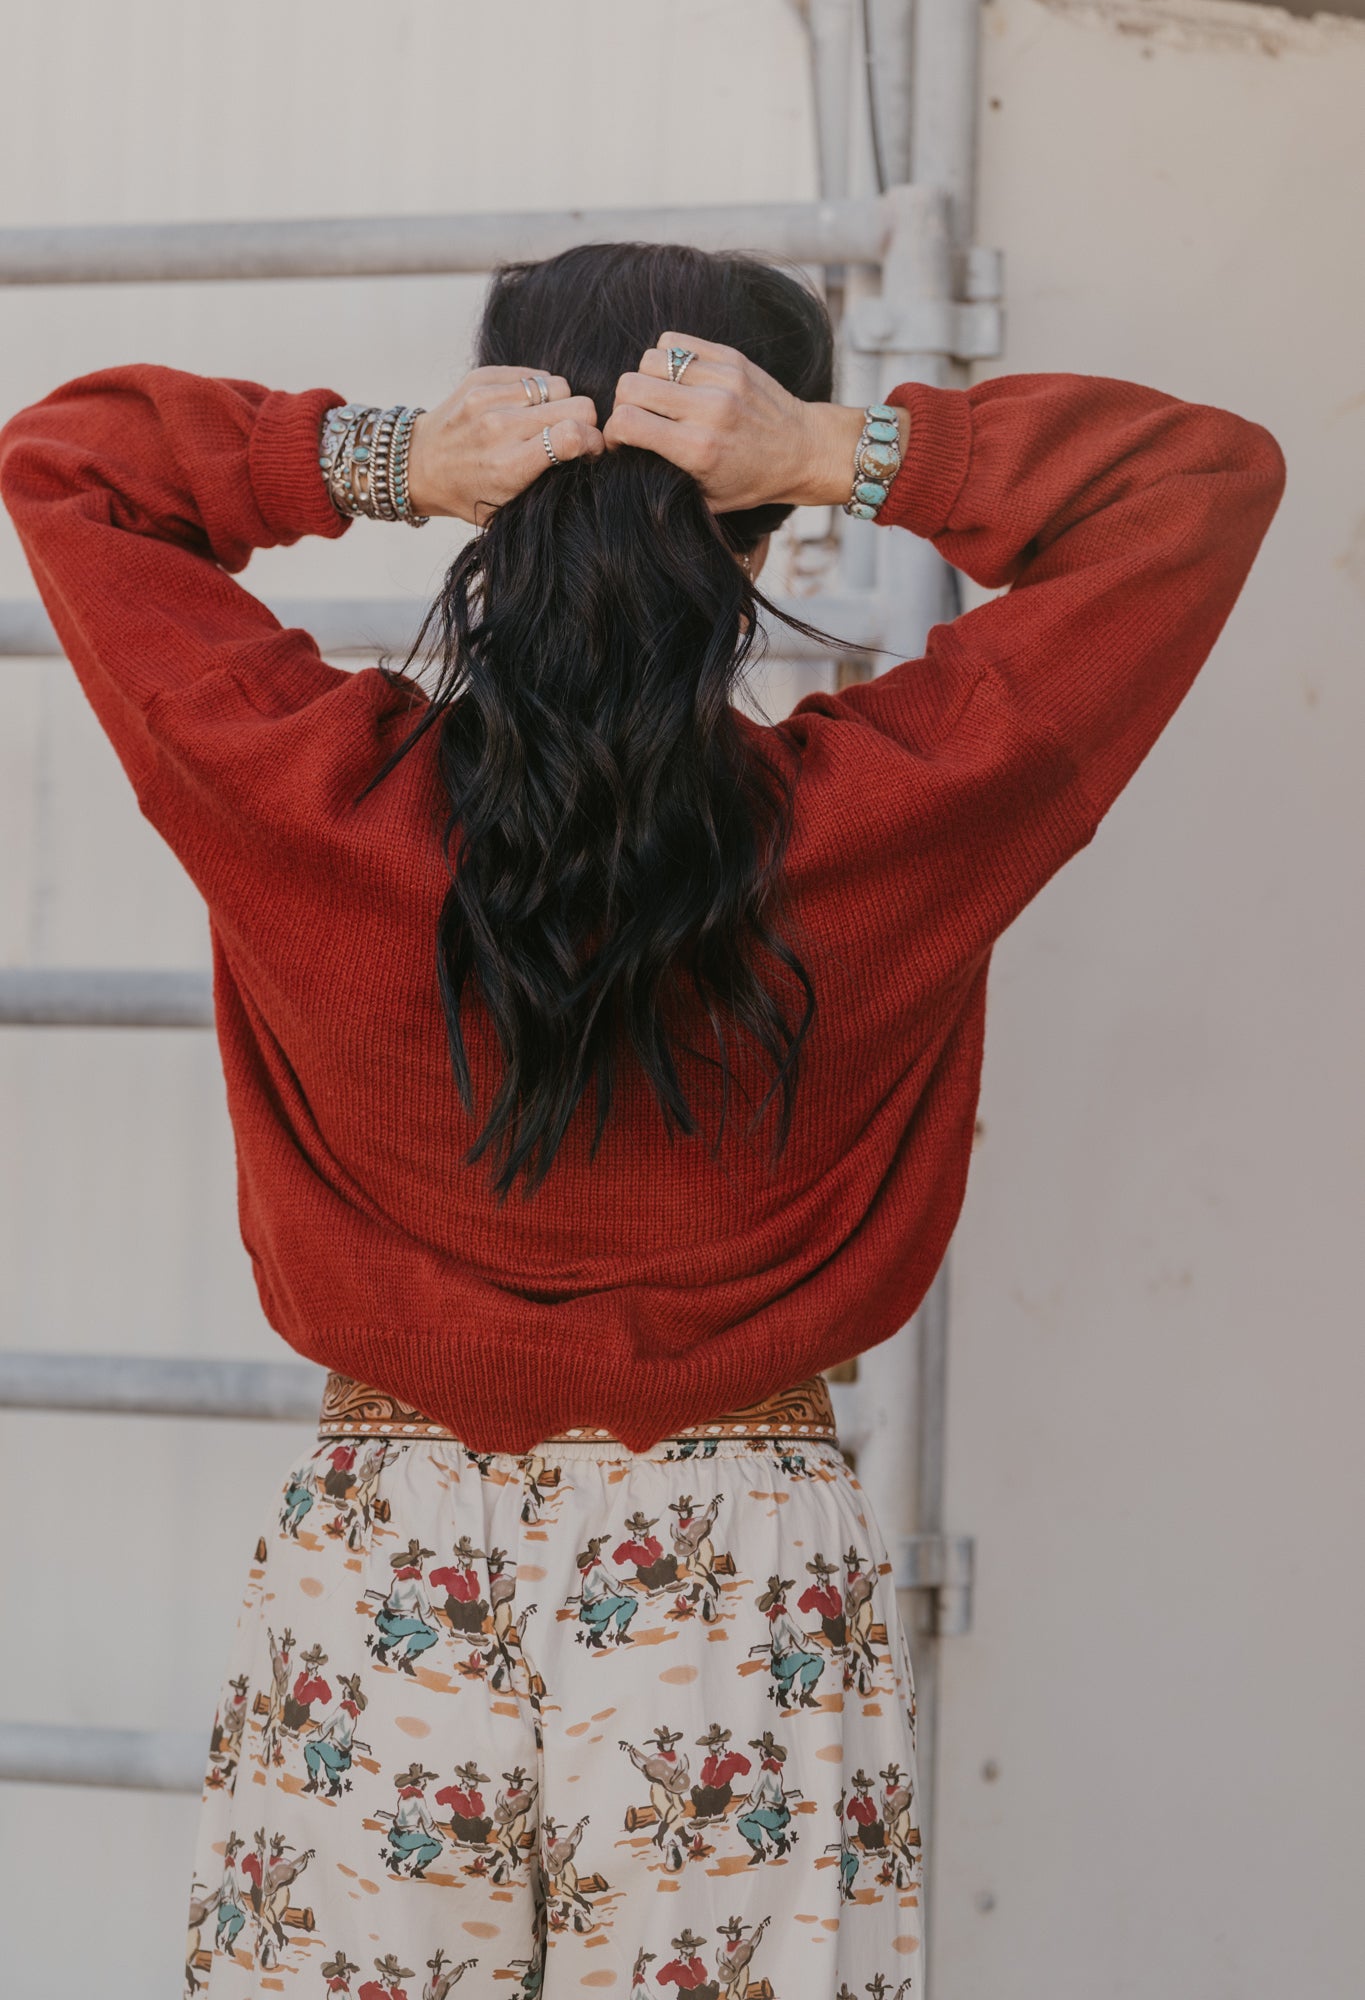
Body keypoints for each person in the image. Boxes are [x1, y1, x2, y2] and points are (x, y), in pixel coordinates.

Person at [0, 239, 1285, 1994]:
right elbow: (1195, 484)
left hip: (382, 1569)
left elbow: (73, 463)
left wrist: (372, 457)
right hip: (737, 1580)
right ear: (765, 525)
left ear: (487, 486)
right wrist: (843, 447)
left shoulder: (299, 795)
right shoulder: (892, 824)